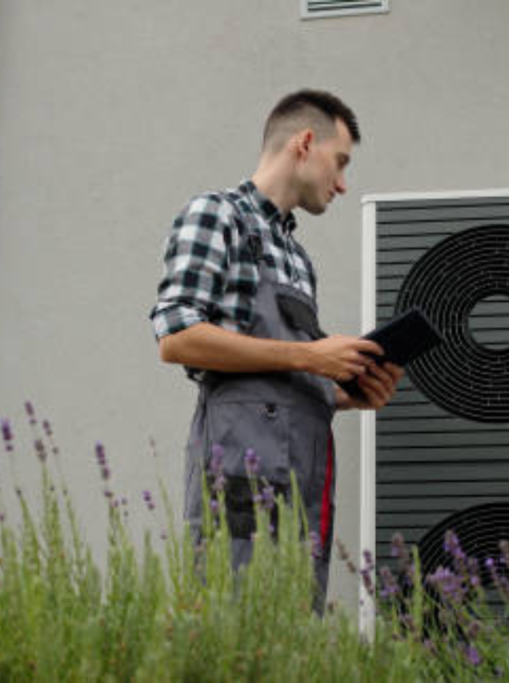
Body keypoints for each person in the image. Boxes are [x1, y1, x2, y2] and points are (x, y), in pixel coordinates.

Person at [150, 89, 403, 605]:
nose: (342, 183)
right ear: (304, 143)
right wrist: (311, 356)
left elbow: (281, 377)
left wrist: (344, 393)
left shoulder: (297, 257)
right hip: (239, 474)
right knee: (234, 616)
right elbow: (177, 336)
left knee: (294, 622)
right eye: (340, 162)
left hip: (303, 478)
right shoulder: (217, 215)